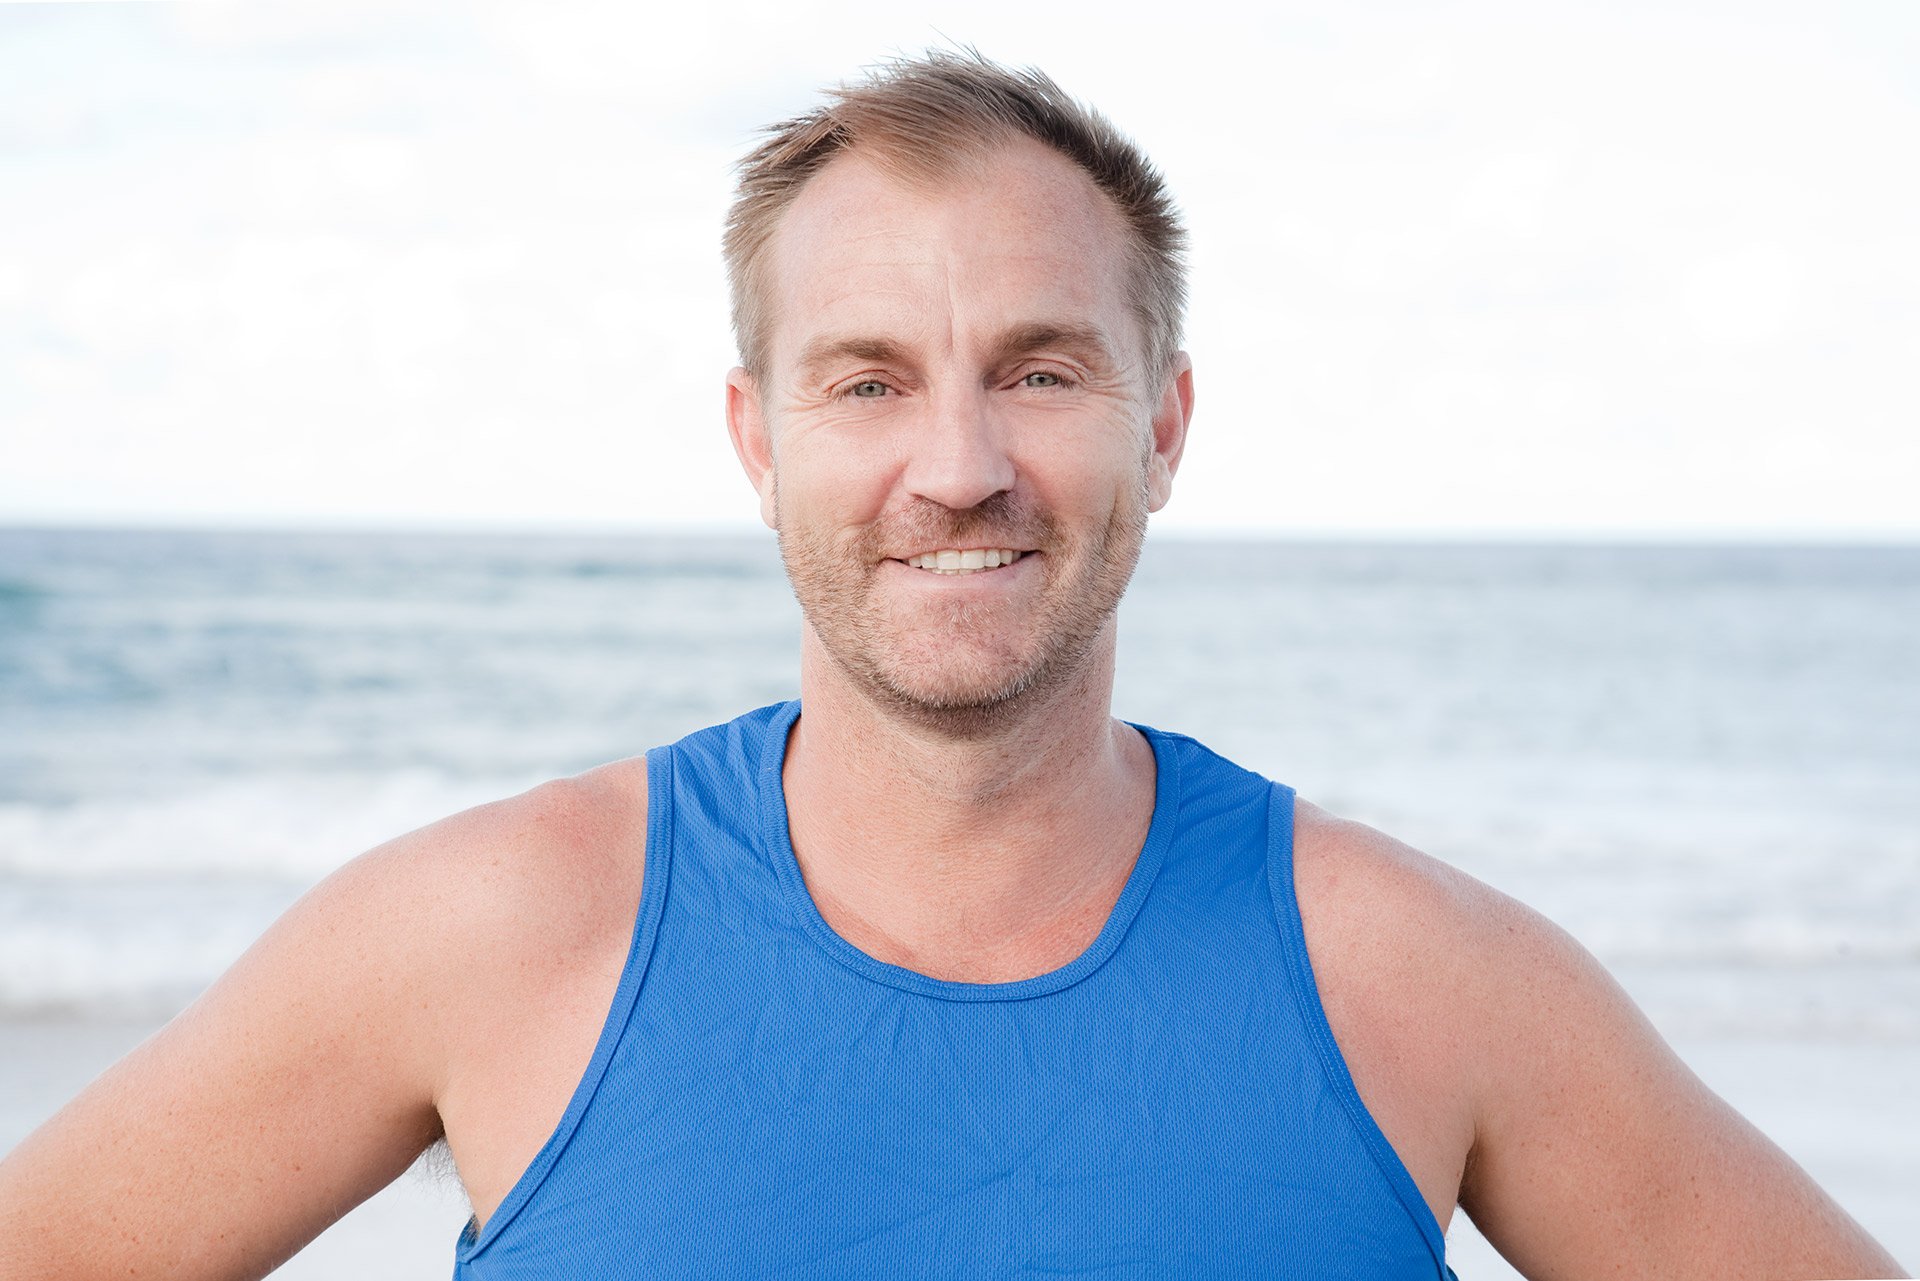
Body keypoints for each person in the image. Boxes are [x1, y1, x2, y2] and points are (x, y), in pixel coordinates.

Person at [0, 50, 1903, 1281]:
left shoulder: (1420, 975)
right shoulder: (491, 929)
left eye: (1044, 370)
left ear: (1165, 424)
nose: (961, 463)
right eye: (868, 379)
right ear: (758, 441)